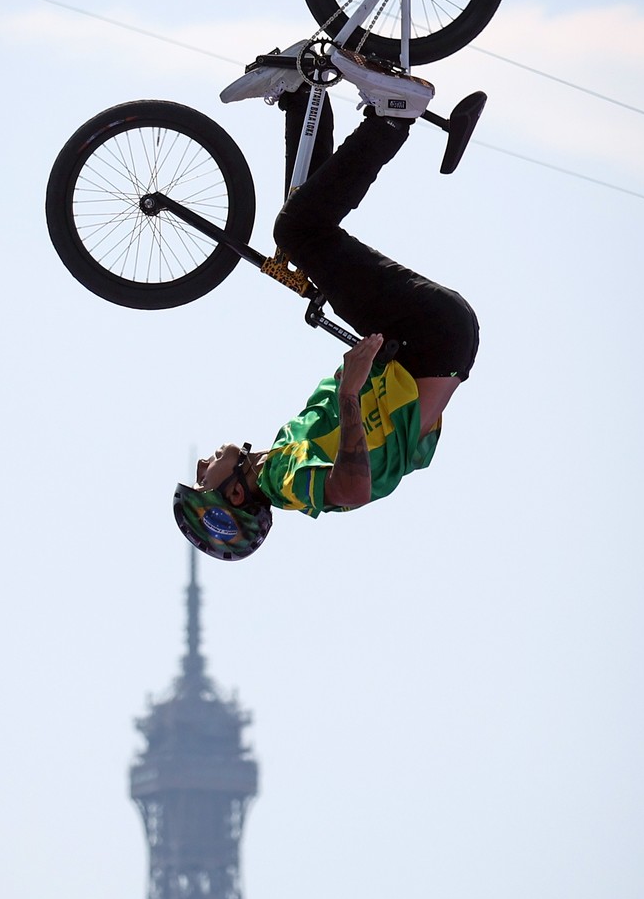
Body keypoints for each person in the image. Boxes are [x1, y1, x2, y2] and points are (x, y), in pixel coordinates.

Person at [173, 45, 480, 562]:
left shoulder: (285, 448)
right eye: (204, 478)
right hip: (430, 342)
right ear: (233, 494)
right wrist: (350, 393)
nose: (202, 465)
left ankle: (301, 94)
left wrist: (323, 296)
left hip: (418, 341)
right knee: (298, 231)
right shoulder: (287, 481)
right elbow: (353, 493)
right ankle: (392, 118)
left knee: (301, 231)